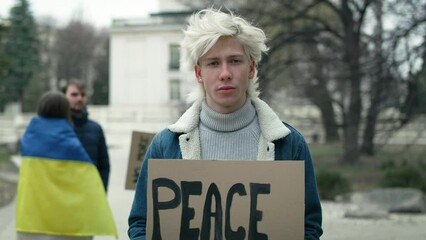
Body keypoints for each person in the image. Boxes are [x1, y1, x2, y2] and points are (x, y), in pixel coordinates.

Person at [128, 8, 323, 240]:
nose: (225, 73)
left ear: (251, 68)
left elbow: (308, 227)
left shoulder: (290, 144)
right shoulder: (165, 145)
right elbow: (141, 224)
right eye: (213, 63)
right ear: (199, 73)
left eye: (234, 61)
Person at [16, 91, 117, 240]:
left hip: (31, 220)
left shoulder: (28, 140)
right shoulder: (71, 145)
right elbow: (89, 180)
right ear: (65, 111)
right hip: (68, 226)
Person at [62, 81, 110, 191]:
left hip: (90, 194)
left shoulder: (96, 129)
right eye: (74, 95)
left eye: (82, 95)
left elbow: (104, 166)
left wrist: (101, 193)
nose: (79, 98)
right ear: (64, 97)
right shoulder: (57, 128)